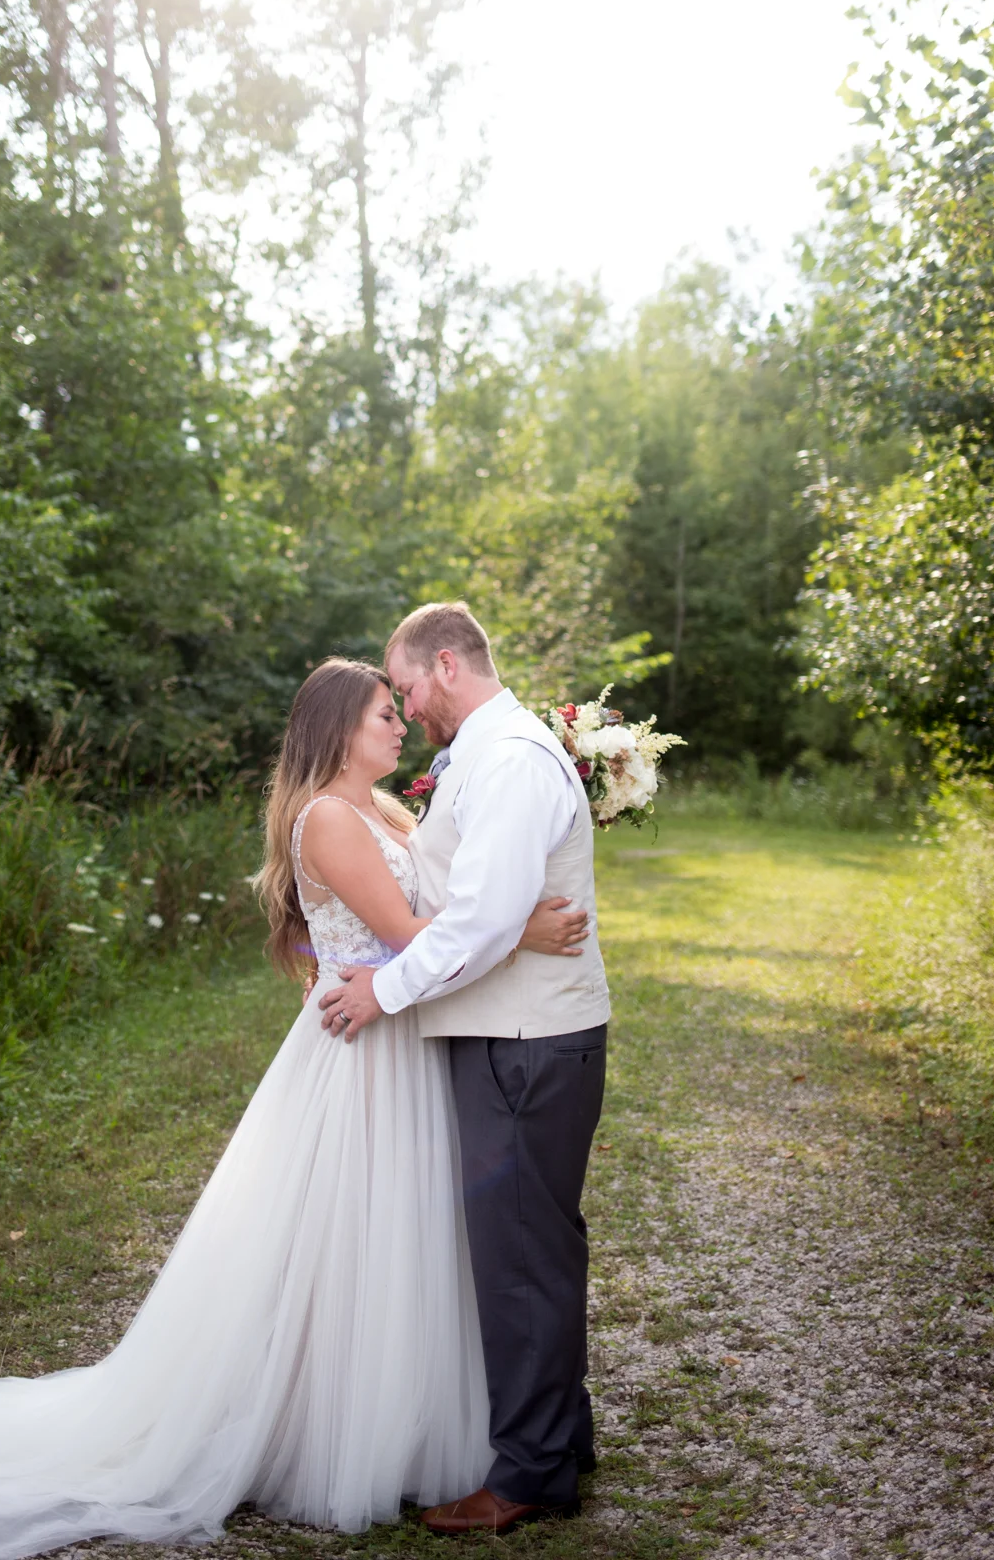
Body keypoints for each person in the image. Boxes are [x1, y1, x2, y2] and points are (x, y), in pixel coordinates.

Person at [0, 657, 588, 1558]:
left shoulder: (382, 810)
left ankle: (421, 1420)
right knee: (347, 1237)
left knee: (409, 1238)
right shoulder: (327, 819)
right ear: (339, 727)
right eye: (383, 713)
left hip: (404, 1033)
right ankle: (314, 1424)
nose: (399, 725)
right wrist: (525, 926)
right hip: (363, 1055)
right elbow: (415, 936)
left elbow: (443, 908)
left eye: (398, 708)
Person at [319, 603, 610, 1534]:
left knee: (521, 1258)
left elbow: (481, 919)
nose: (407, 709)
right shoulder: (488, 754)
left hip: (523, 1041)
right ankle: (559, 1444)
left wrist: (385, 992)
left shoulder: (512, 758)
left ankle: (527, 1477)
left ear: (444, 666)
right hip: (505, 1034)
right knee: (532, 1248)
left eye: (405, 687)